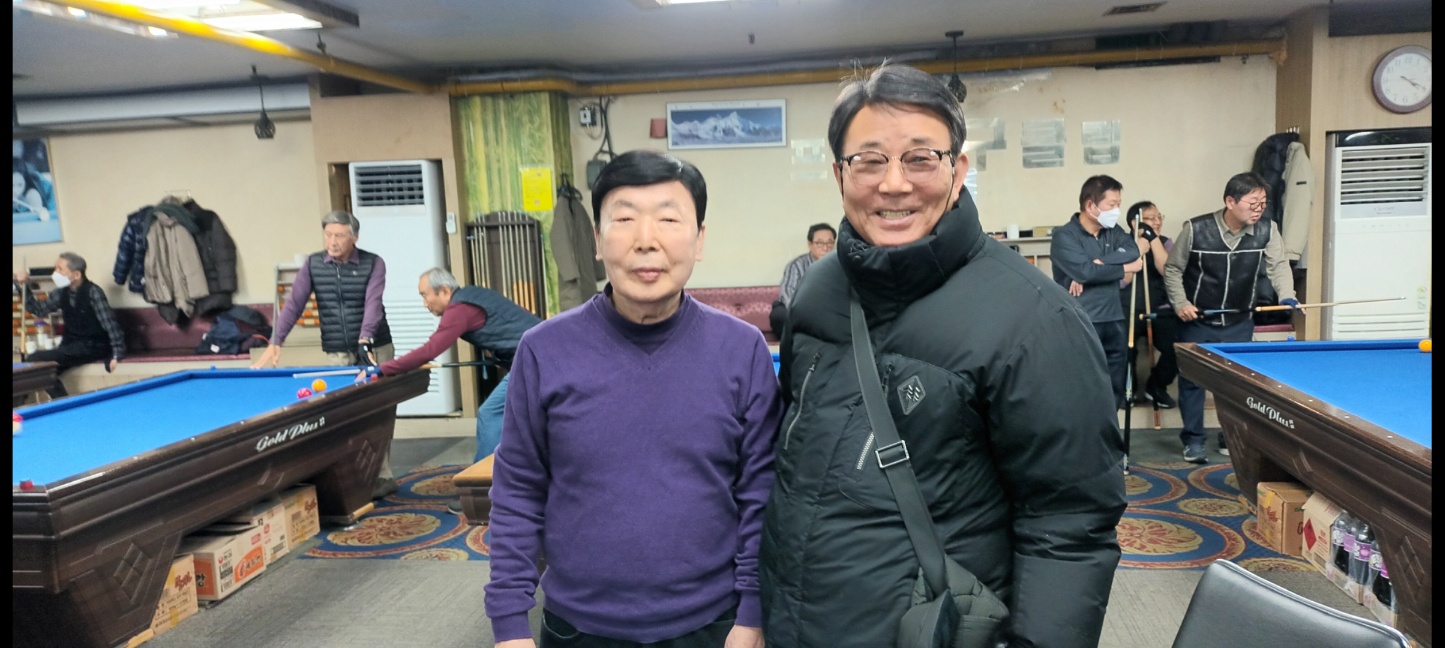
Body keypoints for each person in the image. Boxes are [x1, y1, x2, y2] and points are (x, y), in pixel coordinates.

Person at [760, 64, 1126, 648]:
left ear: (958, 171)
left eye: (920, 159)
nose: (894, 183)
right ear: (839, 174)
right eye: (869, 160)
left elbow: (1070, 525)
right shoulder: (818, 292)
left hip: (926, 629)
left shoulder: (1036, 321)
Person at [486, 150, 780, 648]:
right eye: (624, 219)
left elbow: (761, 492)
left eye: (668, 219)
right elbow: (518, 490)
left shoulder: (741, 349)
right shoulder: (544, 349)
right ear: (598, 240)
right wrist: (510, 626)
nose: (646, 240)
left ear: (699, 239)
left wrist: (751, 614)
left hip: (712, 623)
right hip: (578, 627)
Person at [252, 210, 399, 497]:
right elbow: (294, 304)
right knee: (346, 412)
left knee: (379, 408)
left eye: (340, 236)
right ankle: (354, 475)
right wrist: (276, 340)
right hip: (337, 349)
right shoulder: (314, 264)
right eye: (328, 234)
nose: (332, 241)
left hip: (376, 347)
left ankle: (383, 475)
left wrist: (365, 339)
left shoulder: (373, 263)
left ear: (354, 237)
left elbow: (373, 303)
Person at [371, 266, 541, 514]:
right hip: (538, 355)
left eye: (425, 295)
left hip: (535, 359)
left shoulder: (459, 309)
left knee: (490, 414)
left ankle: (481, 491)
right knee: (517, 419)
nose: (424, 303)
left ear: (444, 291)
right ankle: (517, 483)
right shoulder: (473, 295)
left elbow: (430, 350)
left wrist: (382, 369)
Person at [1164, 172, 1299, 464]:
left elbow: (1278, 265)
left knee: (1235, 383)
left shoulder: (1267, 230)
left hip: (1239, 320)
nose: (1259, 209)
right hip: (1196, 320)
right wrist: (1181, 303)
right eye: (1253, 203)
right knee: (1192, 382)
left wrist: (1287, 295)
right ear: (1230, 201)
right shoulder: (1196, 229)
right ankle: (1193, 441)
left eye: (1263, 203)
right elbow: (1173, 269)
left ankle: (1230, 436)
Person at [1051, 175, 1145, 410]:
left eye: (1118, 204)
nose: (1117, 211)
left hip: (1114, 318)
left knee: (1114, 387)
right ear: (1091, 205)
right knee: (1083, 387)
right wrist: (1123, 268)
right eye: (1112, 205)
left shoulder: (1113, 231)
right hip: (1082, 320)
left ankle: (1109, 431)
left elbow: (1132, 251)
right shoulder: (1064, 235)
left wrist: (1097, 264)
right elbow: (1086, 272)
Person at [14, 253, 125, 398]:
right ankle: (36, 403)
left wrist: (117, 354)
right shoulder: (61, 292)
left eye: (60, 269)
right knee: (42, 372)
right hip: (71, 345)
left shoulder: (93, 292)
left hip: (93, 346)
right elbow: (39, 310)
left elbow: (110, 324)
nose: (55, 273)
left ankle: (63, 403)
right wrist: (23, 286)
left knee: (34, 359)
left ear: (76, 275)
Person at [1120, 201, 1178, 409]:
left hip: (1160, 309)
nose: (1157, 221)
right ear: (1135, 223)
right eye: (1151, 218)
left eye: (1159, 217)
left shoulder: (1165, 242)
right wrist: (1138, 249)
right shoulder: (1120, 243)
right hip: (1127, 308)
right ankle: (1128, 390)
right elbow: (1122, 280)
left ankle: (1156, 386)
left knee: (1178, 347)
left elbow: (1166, 271)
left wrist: (1153, 240)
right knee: (1123, 350)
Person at [768, 222, 836, 336]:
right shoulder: (796, 265)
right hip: (798, 309)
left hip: (827, 310)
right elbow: (787, 294)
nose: (825, 248)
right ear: (810, 244)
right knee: (779, 315)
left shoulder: (839, 265)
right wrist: (806, 312)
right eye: (819, 243)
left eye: (829, 243)